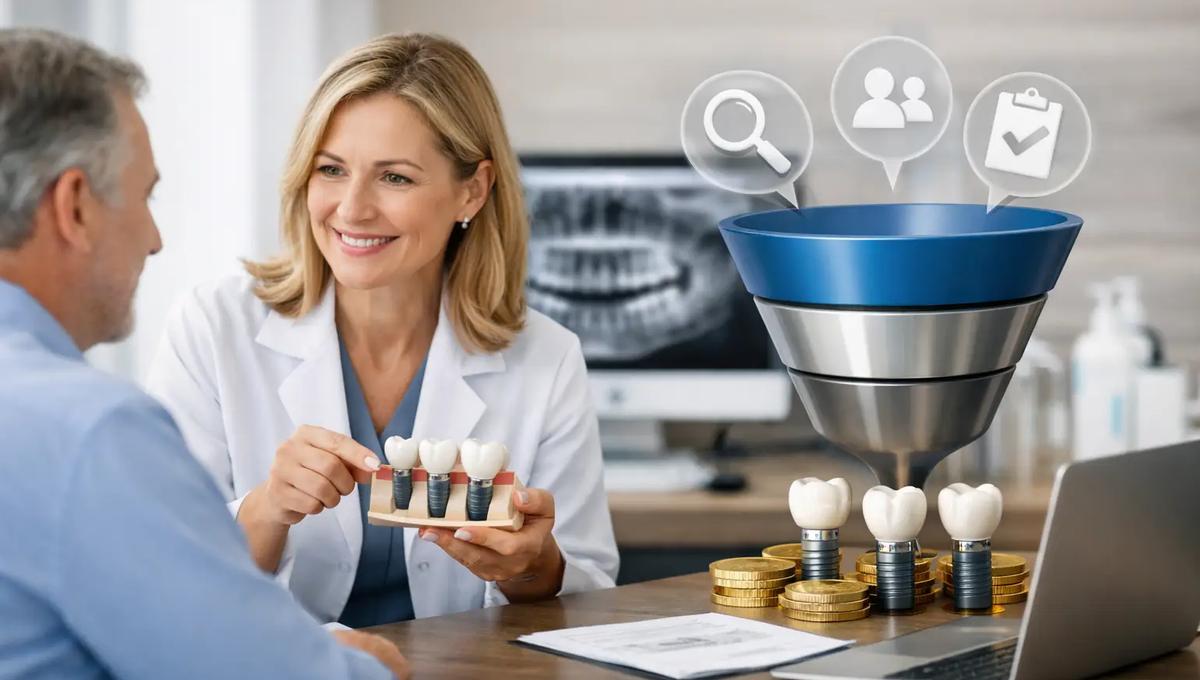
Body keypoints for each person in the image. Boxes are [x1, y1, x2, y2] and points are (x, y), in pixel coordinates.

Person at [145, 33, 619, 626]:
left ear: (471, 190)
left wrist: (531, 566)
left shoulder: (545, 356)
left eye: (395, 178)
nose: (352, 209)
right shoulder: (214, 330)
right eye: (331, 169)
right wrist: (267, 509)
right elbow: (158, 578)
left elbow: (590, 588)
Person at [0, 28, 407, 679]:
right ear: (74, 207)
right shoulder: (88, 432)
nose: (155, 239)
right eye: (144, 197)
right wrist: (365, 663)